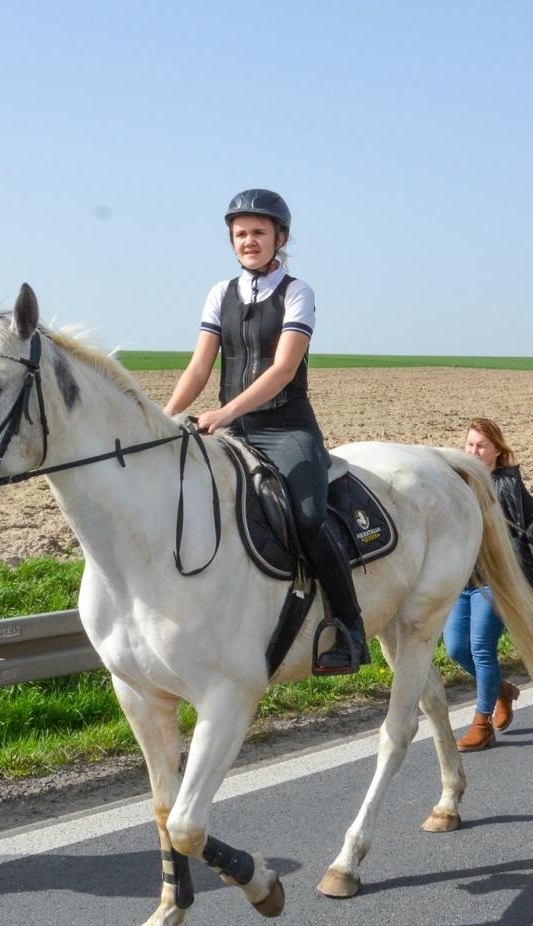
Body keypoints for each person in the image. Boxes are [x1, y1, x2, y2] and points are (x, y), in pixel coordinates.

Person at [162, 189, 367, 675]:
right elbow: (199, 368)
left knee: (310, 517)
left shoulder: (298, 293)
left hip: (285, 426)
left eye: (258, 232)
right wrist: (166, 417)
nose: (249, 241)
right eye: (240, 234)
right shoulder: (220, 293)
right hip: (233, 426)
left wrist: (224, 413)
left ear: (281, 238)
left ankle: (350, 627)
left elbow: (282, 370)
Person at [446, 418, 533, 751]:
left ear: (497, 450)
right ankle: (501, 689)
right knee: (455, 648)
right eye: (469, 445)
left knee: (481, 647)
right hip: (461, 578)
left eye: (482, 446)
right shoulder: (453, 481)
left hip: (498, 580)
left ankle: (482, 724)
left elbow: (530, 523)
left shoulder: (508, 482)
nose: (474, 451)